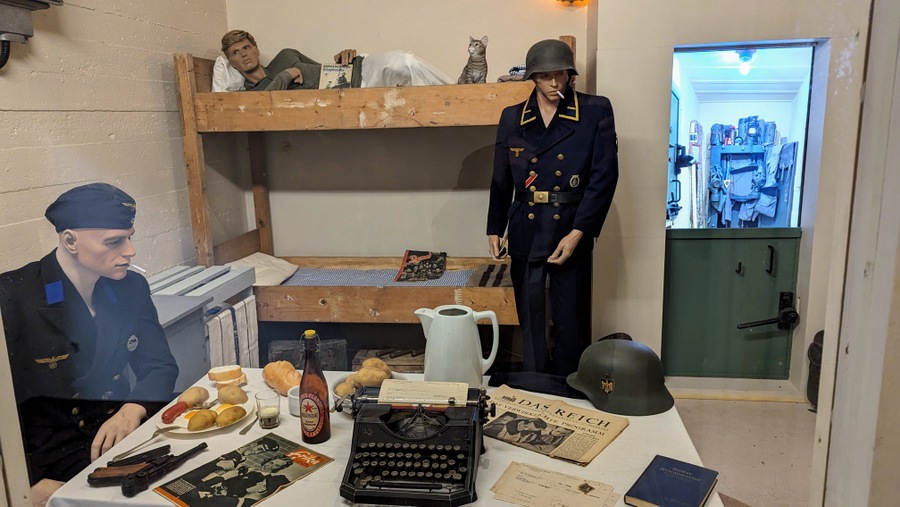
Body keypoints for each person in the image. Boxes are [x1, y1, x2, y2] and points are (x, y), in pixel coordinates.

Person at [0, 183, 179, 506]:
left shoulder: (130, 287)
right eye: (114, 242)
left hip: (119, 433)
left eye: (130, 237)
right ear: (70, 240)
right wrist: (24, 481)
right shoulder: (13, 297)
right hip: (49, 456)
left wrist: (131, 409)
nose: (130, 251)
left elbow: (160, 365)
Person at [486, 39, 618, 376]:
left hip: (570, 225)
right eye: (545, 76)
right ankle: (535, 382)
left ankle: (570, 384)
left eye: (560, 74)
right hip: (525, 226)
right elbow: (501, 179)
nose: (554, 83)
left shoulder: (595, 110)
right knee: (530, 316)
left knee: (570, 314)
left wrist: (579, 233)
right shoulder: (512, 117)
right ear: (533, 77)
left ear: (570, 74)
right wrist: (494, 227)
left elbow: (603, 177)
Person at [219, 30, 453, 92]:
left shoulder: (285, 55)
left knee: (404, 60)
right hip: (350, 93)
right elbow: (264, 105)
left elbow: (323, 69)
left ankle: (458, 92)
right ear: (231, 62)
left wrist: (342, 57)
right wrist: (287, 75)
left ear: (256, 49)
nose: (244, 54)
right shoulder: (250, 95)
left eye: (246, 47)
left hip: (356, 73)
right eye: (235, 53)